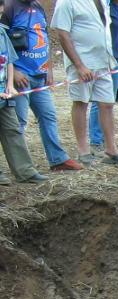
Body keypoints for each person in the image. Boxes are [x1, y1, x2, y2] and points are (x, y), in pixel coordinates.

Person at [1, 0, 82, 171]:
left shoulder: (37, 7)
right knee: (19, 122)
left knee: (49, 116)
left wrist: (49, 69)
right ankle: (21, 167)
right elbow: (2, 44)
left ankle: (57, 159)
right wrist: (13, 71)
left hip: (39, 74)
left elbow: (44, 38)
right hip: (20, 76)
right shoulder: (9, 8)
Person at [51, 0, 118, 166]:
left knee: (107, 104)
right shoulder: (67, 2)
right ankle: (83, 151)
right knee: (81, 103)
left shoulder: (101, 1)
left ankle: (111, 149)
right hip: (82, 62)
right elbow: (63, 34)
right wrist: (79, 66)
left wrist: (117, 61)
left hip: (103, 61)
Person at [0, 19, 46, 184]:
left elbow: (9, 60)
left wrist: (10, 86)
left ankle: (25, 171)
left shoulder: (2, 33)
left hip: (4, 94)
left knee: (12, 129)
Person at [88, 0, 118, 153]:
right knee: (101, 100)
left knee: (109, 101)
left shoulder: (117, 8)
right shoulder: (107, 7)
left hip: (115, 59)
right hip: (105, 60)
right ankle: (96, 140)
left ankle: (107, 141)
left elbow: (116, 39)